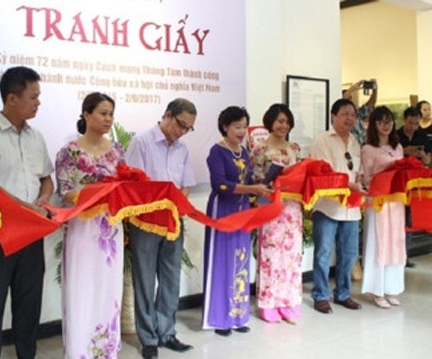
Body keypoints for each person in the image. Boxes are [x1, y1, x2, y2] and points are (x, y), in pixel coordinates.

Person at [0, 66, 54, 359]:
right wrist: (30, 208)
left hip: (32, 233)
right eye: (34, 96)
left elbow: (47, 178)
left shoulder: (36, 137)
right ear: (12, 98)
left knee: (29, 305)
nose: (38, 102)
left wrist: (43, 200)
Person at [55, 92, 125, 359]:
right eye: (103, 113)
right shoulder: (69, 151)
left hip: (111, 228)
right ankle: (79, 353)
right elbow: (65, 191)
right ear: (86, 114)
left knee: (108, 288)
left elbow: (126, 186)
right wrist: (96, 195)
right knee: (82, 289)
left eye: (111, 114)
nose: (108, 119)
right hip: (83, 229)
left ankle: (105, 351)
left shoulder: (117, 150)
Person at [125, 98, 196, 359]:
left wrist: (175, 206)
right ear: (167, 115)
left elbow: (186, 184)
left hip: (173, 222)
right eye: (181, 125)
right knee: (144, 280)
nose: (183, 131)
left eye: (188, 128)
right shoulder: (141, 143)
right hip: (146, 222)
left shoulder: (182, 150)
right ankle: (148, 338)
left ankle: (167, 332)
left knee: (170, 279)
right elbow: (135, 187)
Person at [202, 106, 271, 336]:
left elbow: (249, 179)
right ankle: (220, 318)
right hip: (222, 210)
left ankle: (238, 315)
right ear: (225, 127)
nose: (242, 131)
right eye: (237, 126)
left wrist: (263, 185)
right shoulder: (216, 151)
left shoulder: (243, 151)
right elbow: (220, 185)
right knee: (222, 261)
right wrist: (252, 188)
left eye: (244, 126)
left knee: (240, 261)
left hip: (242, 211)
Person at [309, 98, 364, 314]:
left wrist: (360, 183)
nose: (350, 118)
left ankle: (343, 294)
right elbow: (325, 174)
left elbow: (357, 171)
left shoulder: (355, 141)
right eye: (345, 114)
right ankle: (321, 295)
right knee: (323, 254)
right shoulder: (322, 140)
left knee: (349, 254)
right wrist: (350, 184)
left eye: (353, 114)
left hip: (351, 209)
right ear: (333, 116)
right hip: (328, 206)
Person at [251, 104, 303, 324]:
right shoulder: (260, 149)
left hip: (292, 208)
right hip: (270, 205)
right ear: (270, 121)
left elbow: (301, 174)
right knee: (270, 255)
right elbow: (255, 180)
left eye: (287, 121)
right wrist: (270, 181)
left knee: (291, 256)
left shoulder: (295, 148)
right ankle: (268, 302)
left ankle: (289, 301)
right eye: (280, 121)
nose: (284, 125)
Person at [360, 106, 406, 308]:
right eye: (381, 121)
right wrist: (385, 172)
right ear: (374, 124)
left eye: (389, 121)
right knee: (378, 242)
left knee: (395, 242)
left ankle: (391, 288)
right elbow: (366, 177)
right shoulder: (368, 148)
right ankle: (375, 289)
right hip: (378, 201)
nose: (386, 125)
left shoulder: (398, 148)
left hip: (395, 201)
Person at [396, 107, 432, 268]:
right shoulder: (395, 135)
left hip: (414, 184)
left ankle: (405, 255)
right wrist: (404, 151)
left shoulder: (422, 136)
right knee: (397, 219)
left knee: (409, 220)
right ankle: (395, 255)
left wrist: (421, 155)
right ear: (404, 120)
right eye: (410, 123)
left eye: (416, 124)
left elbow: (428, 161)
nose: (413, 127)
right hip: (398, 182)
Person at [344, 79, 378, 145]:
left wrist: (375, 90)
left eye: (351, 98)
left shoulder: (358, 113)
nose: (350, 101)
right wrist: (352, 89)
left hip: (361, 150)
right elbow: (339, 103)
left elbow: (371, 104)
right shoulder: (339, 117)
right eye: (348, 98)